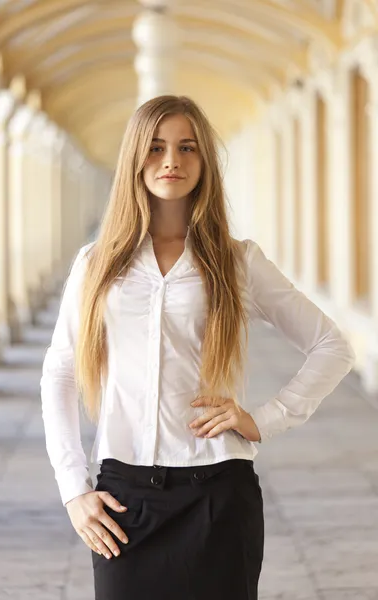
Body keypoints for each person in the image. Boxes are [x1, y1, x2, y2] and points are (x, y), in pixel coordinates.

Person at [40, 95, 355, 600]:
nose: (171, 161)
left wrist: (264, 419)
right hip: (123, 502)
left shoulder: (238, 263)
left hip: (218, 496)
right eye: (157, 147)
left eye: (187, 148)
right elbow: (58, 372)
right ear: (135, 158)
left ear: (205, 161)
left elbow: (331, 346)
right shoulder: (96, 264)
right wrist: (74, 488)